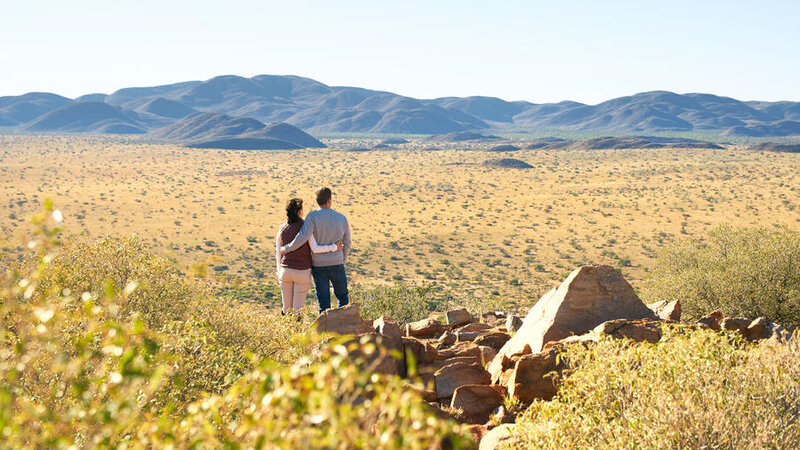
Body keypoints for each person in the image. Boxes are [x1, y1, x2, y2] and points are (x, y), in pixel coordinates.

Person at [281, 187, 351, 313]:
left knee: (323, 302)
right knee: (343, 298)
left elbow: (302, 237)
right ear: (329, 200)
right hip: (337, 263)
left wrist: (287, 248)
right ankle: (344, 327)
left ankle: (324, 330)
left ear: (317, 201)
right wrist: (342, 258)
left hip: (318, 266)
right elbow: (348, 243)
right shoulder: (342, 218)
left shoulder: (312, 217)